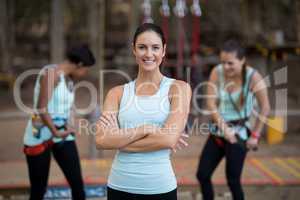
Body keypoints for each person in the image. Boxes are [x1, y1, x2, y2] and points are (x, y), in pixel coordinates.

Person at [95, 23, 192, 200]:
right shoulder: (117, 93)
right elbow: (101, 140)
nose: (149, 54)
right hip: (119, 186)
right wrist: (146, 129)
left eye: (155, 47)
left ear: (163, 50)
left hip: (160, 188)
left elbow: (169, 139)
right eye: (142, 47)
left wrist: (117, 139)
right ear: (134, 50)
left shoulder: (179, 88)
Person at [196, 39, 270, 200]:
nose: (226, 67)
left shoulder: (253, 77)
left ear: (242, 61)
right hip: (218, 132)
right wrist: (224, 129)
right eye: (223, 62)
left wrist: (255, 136)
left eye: (230, 63)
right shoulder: (217, 72)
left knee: (233, 181)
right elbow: (210, 102)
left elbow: (265, 107)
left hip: (239, 135)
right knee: (202, 174)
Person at [23, 44, 95, 200]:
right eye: (86, 70)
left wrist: (70, 123)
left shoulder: (69, 80)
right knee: (38, 190)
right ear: (80, 64)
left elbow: (65, 107)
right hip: (39, 136)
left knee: (78, 186)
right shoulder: (51, 74)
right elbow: (41, 107)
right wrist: (55, 131)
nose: (84, 74)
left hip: (62, 135)